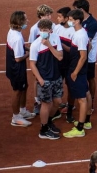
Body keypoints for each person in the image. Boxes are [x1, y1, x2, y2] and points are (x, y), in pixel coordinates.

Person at [29, 19, 64, 140]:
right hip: (45, 79)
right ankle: (43, 130)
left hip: (56, 77)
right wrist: (40, 80)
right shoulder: (35, 45)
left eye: (45, 30)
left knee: (58, 102)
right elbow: (32, 64)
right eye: (41, 30)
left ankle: (48, 122)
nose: (43, 32)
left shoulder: (55, 38)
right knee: (46, 103)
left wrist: (49, 45)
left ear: (50, 30)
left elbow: (60, 57)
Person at [63, 9, 90, 138]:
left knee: (81, 99)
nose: (69, 21)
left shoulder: (79, 35)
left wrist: (75, 72)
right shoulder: (81, 33)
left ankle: (80, 128)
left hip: (77, 70)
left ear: (77, 21)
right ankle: (86, 122)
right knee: (85, 93)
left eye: (70, 19)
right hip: (79, 70)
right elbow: (88, 46)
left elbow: (83, 56)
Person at [6, 11, 33, 127]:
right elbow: (18, 58)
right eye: (25, 19)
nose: (27, 21)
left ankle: (22, 110)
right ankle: (15, 117)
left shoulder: (13, 31)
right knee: (17, 91)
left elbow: (19, 48)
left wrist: (26, 48)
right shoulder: (17, 37)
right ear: (19, 21)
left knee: (24, 87)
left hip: (14, 67)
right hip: (17, 68)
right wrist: (30, 53)